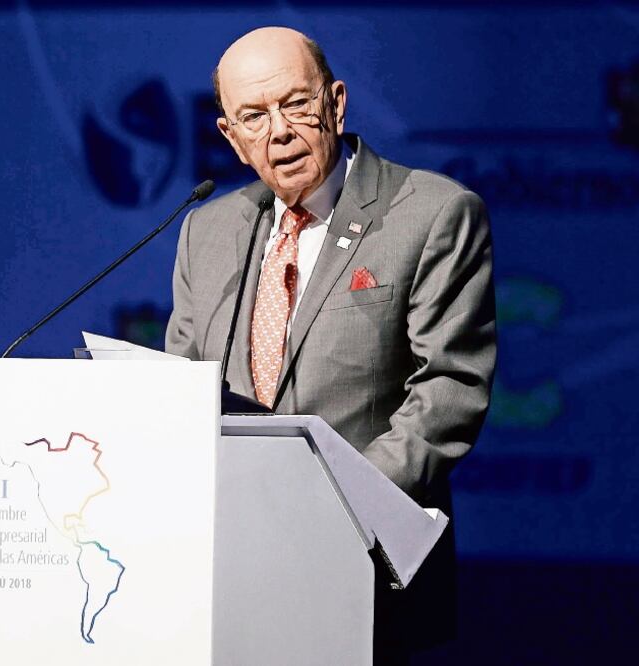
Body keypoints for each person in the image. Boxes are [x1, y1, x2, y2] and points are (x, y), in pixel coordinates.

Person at [165, 26, 496, 658]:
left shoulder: (432, 212)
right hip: (226, 568)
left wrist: (335, 509)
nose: (279, 132)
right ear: (230, 139)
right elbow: (181, 390)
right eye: (253, 117)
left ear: (336, 103)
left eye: (295, 104)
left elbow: (449, 388)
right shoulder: (205, 232)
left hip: (364, 566)